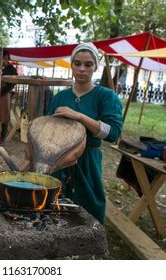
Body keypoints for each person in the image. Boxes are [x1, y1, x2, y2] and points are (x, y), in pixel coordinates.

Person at [46, 43, 123, 224]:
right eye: (77, 63)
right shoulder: (60, 97)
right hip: (59, 161)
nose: (82, 69)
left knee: (89, 208)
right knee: (57, 207)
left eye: (88, 65)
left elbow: (112, 133)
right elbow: (48, 129)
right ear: (71, 65)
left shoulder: (105, 96)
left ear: (95, 67)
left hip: (87, 161)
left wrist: (80, 116)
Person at [0, 50, 17, 142]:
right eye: (2, 58)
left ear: (8, 59)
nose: (3, 60)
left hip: (5, 94)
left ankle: (2, 137)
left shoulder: (11, 69)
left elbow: (13, 83)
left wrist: (1, 91)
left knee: (4, 115)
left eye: (5, 59)